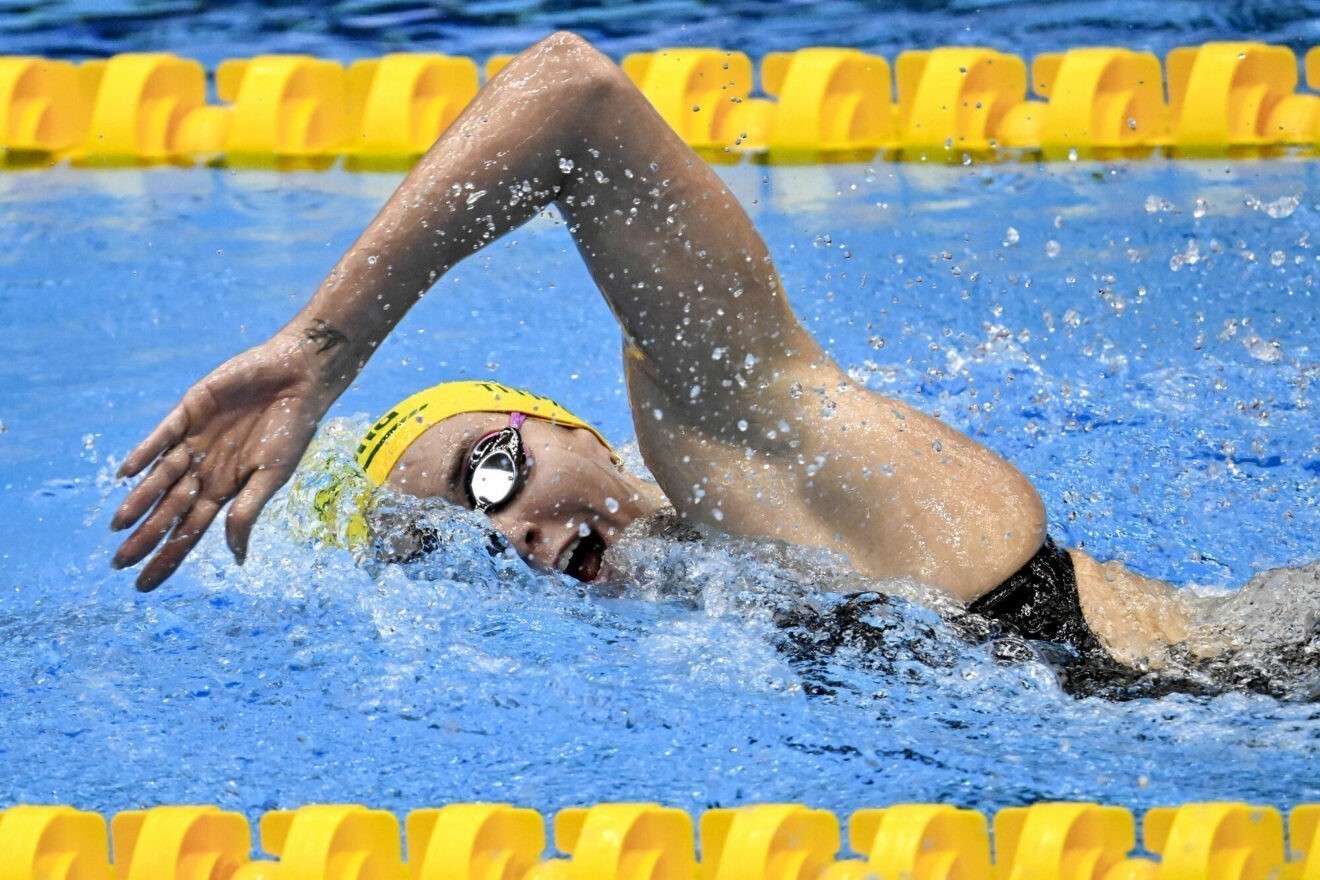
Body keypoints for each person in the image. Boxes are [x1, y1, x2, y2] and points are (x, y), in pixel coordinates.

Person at [112, 31, 1200, 672]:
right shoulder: (718, 626)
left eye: (490, 472)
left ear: (568, 426)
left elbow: (576, 99)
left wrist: (320, 350)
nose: (513, 538)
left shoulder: (746, 446)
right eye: (463, 546)